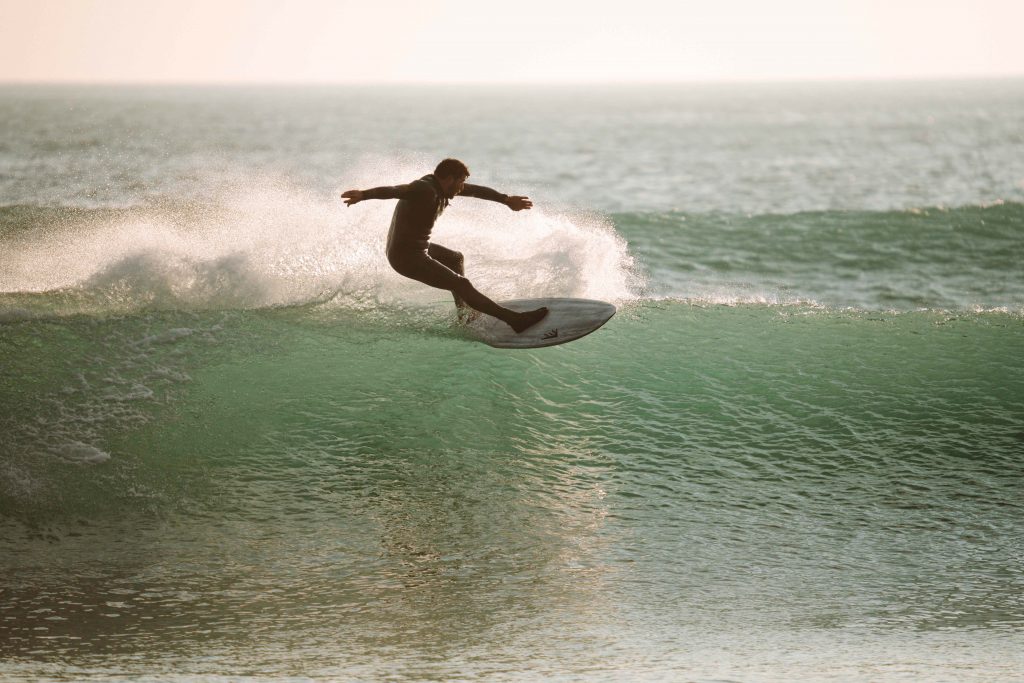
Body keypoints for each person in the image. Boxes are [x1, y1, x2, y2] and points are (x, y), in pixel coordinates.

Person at [341, 159, 549, 333]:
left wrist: (505, 200)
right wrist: (364, 195)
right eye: (460, 182)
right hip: (407, 256)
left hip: (415, 247)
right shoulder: (424, 189)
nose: (462, 188)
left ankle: (465, 315)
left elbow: (476, 191)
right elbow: (397, 190)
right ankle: (516, 321)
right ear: (449, 179)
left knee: (455, 259)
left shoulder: (441, 186)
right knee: (462, 284)